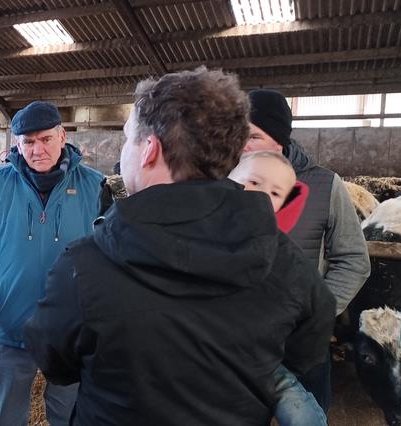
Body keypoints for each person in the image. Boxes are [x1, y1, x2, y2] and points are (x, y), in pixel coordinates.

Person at [23, 68, 337, 425]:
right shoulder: (287, 263)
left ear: (149, 150)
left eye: (129, 139)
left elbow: (55, 362)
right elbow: (308, 343)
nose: (126, 149)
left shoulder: (84, 266)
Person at [0, 101, 104, 425]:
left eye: (46, 139)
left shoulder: (95, 186)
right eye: (28, 141)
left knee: (69, 414)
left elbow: (109, 255)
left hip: (71, 331)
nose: (37, 149)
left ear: (62, 136)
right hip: (11, 326)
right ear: (17, 145)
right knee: (7, 416)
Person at [245, 89, 371, 410]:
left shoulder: (325, 185)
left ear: (279, 139)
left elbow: (353, 259)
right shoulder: (226, 185)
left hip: (302, 343)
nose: (241, 145)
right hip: (241, 342)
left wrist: (319, 312)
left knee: (307, 413)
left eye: (253, 136)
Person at [230, 151, 326, 426]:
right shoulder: (199, 229)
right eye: (253, 182)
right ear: (225, 181)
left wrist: (291, 360)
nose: (261, 195)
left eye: (274, 193)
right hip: (207, 344)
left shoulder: (281, 252)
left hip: (260, 354)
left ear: (284, 204)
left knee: (299, 410)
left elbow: (320, 306)